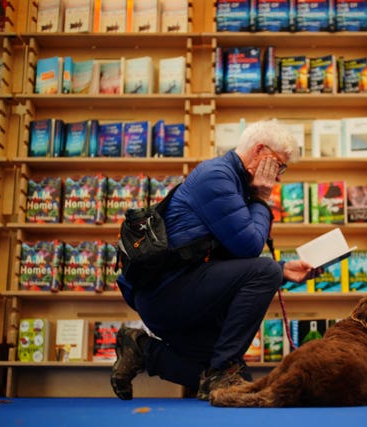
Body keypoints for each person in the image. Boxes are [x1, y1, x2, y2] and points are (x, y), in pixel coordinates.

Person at [111, 120, 320, 401]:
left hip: (182, 294)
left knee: (237, 380)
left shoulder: (235, 182)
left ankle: (143, 350)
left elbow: (231, 257)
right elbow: (248, 247)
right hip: (167, 294)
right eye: (279, 166)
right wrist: (261, 198)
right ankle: (222, 369)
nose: (278, 177)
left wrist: (284, 270)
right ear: (259, 151)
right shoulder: (217, 177)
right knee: (264, 273)